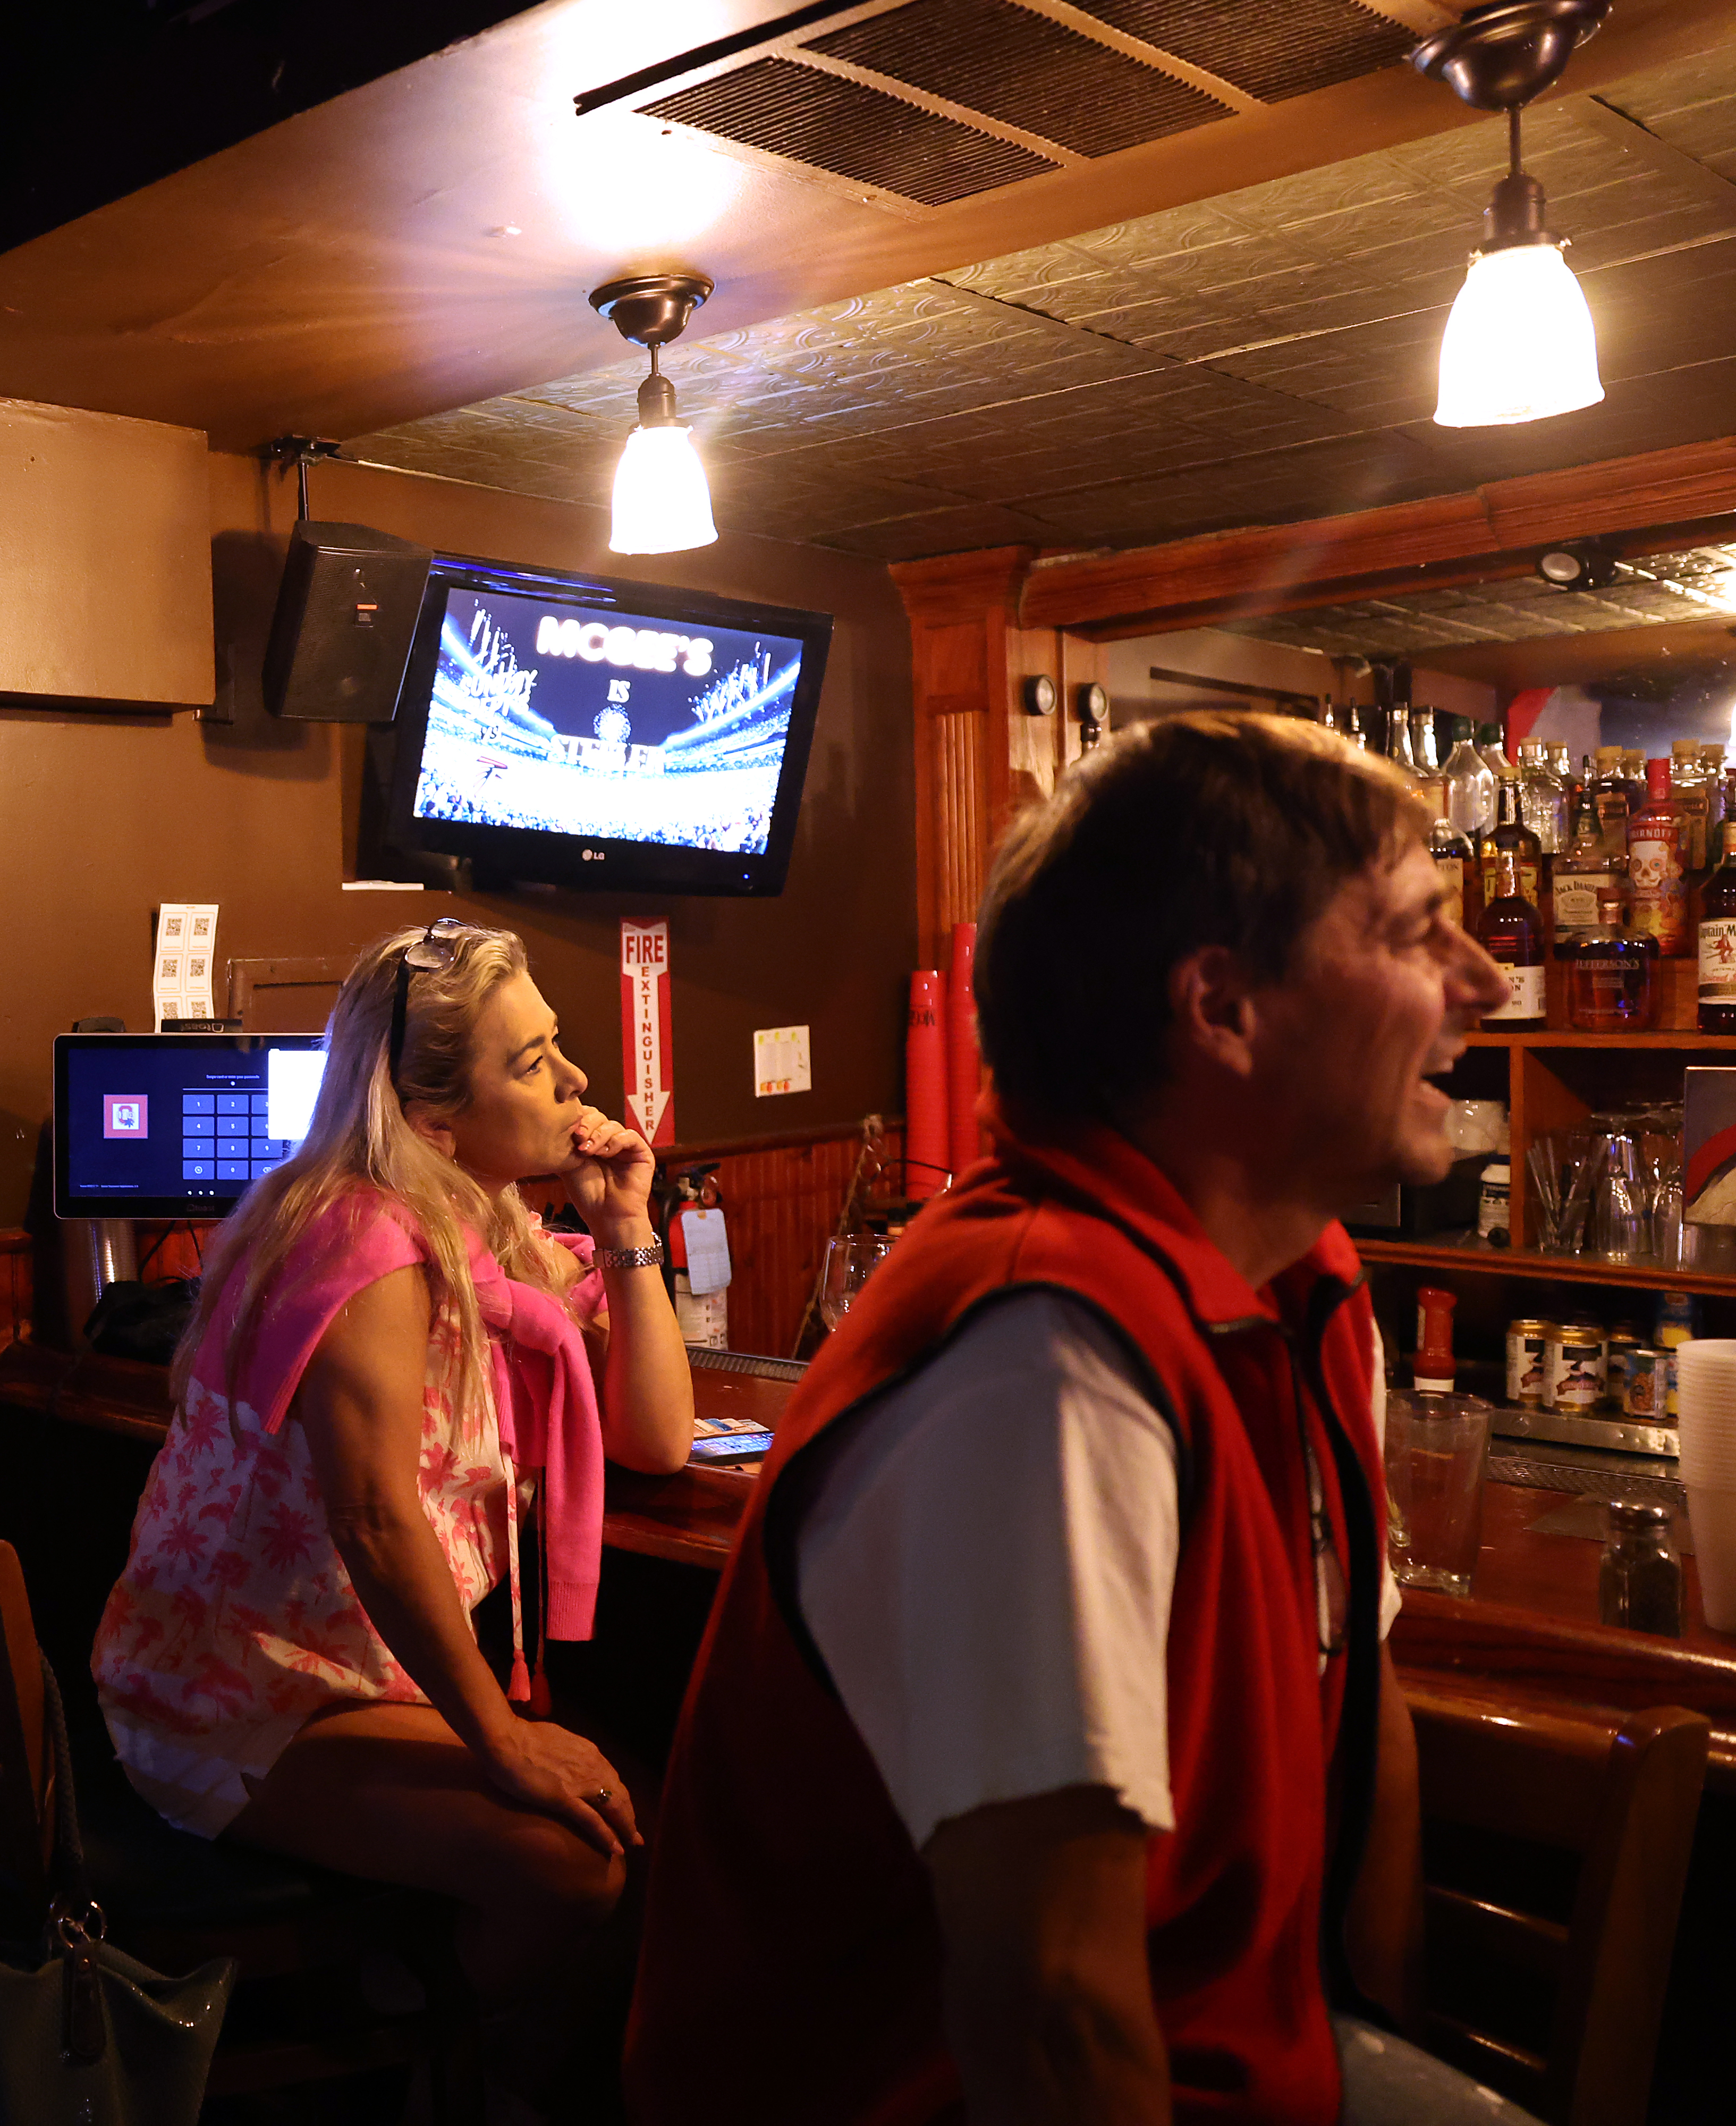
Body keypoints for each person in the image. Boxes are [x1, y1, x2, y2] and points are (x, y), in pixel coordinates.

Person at [627, 711, 1526, 2126]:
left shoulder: (1297, 1288)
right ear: (1221, 1007)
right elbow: (1049, 2016)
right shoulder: (1044, 1353)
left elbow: (1363, 1713)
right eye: (1417, 932)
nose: (1484, 979)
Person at [91, 918, 697, 2023]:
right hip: (240, 1699)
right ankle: (403, 2053)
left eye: (559, 1046)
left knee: (622, 1820)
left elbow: (655, 1437)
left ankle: (421, 2034)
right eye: (531, 1063)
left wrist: (626, 1227)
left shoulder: (485, 1224)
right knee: (584, 1853)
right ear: (433, 1120)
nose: (576, 1081)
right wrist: (502, 1739)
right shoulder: (361, 1236)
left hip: (343, 1680)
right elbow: (373, 1516)